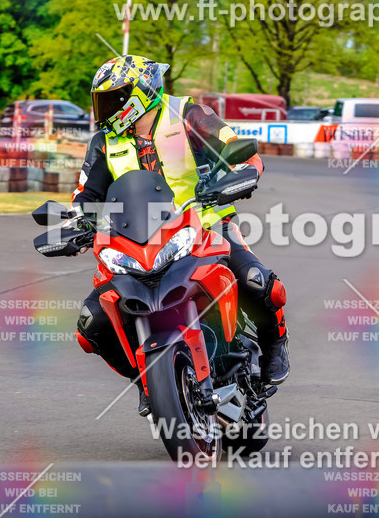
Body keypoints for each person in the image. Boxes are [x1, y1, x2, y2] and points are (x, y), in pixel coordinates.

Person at [70, 55, 290, 416]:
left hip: (206, 224)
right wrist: (73, 225)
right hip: (134, 243)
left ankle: (275, 344)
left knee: (257, 281)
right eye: (103, 100)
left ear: (139, 93)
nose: (106, 109)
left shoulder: (189, 115)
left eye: (115, 98)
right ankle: (148, 381)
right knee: (91, 323)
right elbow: (85, 197)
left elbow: (240, 154)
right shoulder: (104, 142)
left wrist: (242, 174)